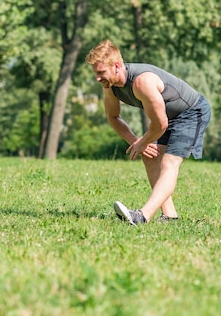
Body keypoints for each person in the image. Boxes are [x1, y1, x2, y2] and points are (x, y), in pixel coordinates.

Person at [85, 40, 211, 225]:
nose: (97, 78)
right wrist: (136, 141)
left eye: (101, 72)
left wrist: (143, 142)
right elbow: (113, 117)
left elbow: (160, 124)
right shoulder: (110, 87)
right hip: (168, 117)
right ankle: (170, 216)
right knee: (150, 156)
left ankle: (141, 216)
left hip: (192, 112)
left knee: (169, 162)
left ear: (117, 66)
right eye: (95, 73)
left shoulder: (142, 82)